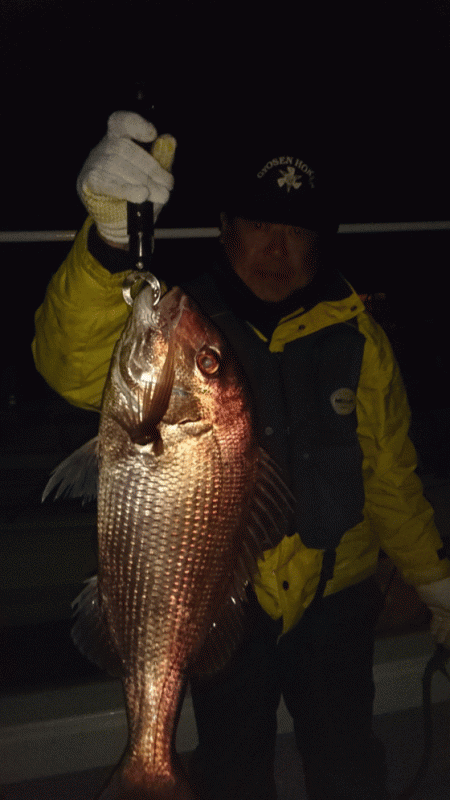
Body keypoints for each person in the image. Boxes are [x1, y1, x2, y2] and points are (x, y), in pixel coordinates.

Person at [32, 110, 450, 800]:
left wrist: (433, 580)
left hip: (337, 599)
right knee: (232, 768)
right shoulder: (182, 322)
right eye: (261, 222)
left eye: (297, 228)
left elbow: (391, 476)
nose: (279, 247)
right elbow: (68, 360)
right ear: (224, 227)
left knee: (349, 760)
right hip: (226, 604)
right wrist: (110, 243)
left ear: (320, 241)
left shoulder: (360, 338)